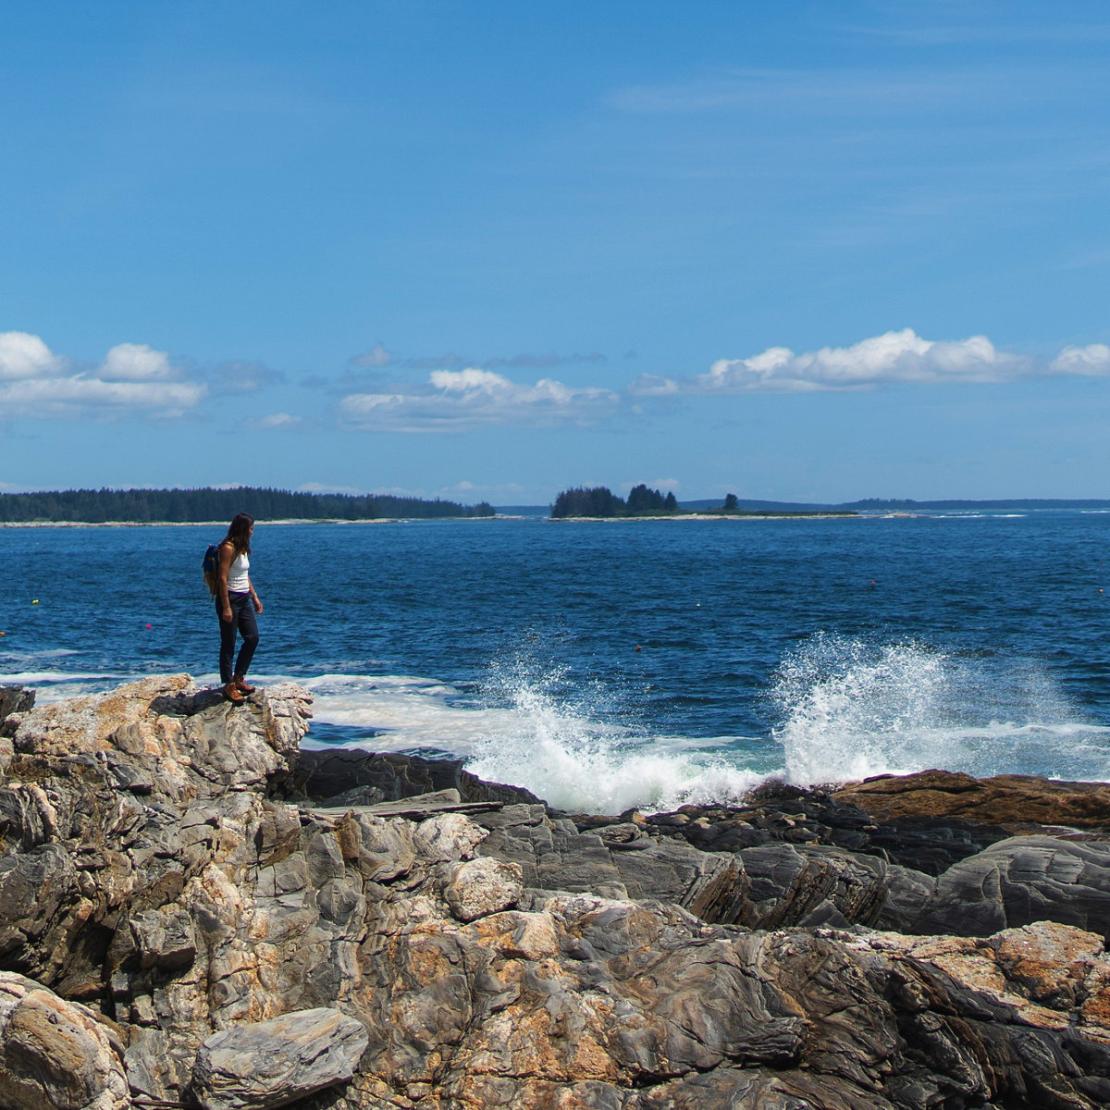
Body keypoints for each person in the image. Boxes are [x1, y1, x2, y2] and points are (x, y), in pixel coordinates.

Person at [215, 513, 263, 703]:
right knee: (229, 643)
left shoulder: (243, 549)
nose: (252, 532)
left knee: (252, 638)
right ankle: (228, 684)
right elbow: (222, 578)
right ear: (243, 529)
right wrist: (226, 607)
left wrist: (255, 597)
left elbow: (245, 575)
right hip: (230, 598)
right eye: (250, 528)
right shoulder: (228, 548)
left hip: (244, 599)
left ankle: (239, 677)